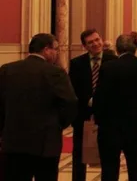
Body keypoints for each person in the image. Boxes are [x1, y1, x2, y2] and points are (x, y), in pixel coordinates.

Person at [0, 33, 78, 180]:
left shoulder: (7, 70)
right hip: (45, 144)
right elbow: (71, 102)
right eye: (55, 49)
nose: (56, 53)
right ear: (46, 49)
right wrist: (59, 123)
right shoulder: (55, 72)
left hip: (13, 142)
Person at [93, 32, 137, 180]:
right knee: (135, 161)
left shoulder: (108, 67)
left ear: (117, 49)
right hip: (136, 123)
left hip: (111, 124)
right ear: (134, 48)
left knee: (110, 165)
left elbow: (100, 96)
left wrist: (97, 117)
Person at [69, 29, 117, 181]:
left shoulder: (113, 60)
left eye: (97, 39)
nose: (96, 44)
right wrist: (88, 101)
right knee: (79, 155)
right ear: (85, 46)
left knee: (109, 157)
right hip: (83, 116)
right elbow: (73, 89)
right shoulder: (77, 63)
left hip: (108, 116)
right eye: (91, 42)